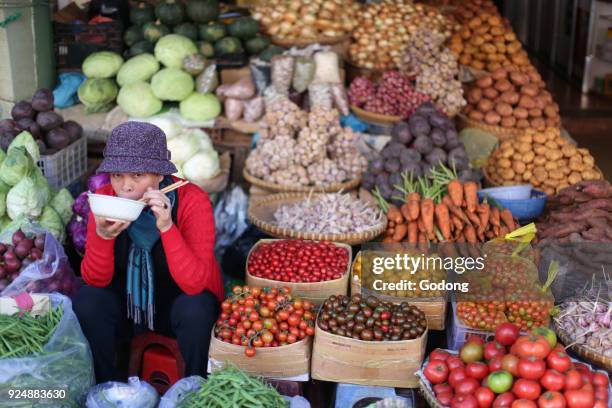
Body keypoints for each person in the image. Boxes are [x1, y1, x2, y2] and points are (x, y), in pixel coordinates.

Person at [73, 121, 223, 383]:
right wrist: (103, 236)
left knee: (197, 308)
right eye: (118, 175)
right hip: (127, 307)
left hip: (176, 306)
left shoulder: (192, 200)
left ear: (158, 174)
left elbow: (194, 283)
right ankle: (108, 388)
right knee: (88, 300)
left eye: (137, 175)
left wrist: (166, 226)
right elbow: (95, 279)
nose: (126, 186)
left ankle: (195, 387)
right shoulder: (104, 198)